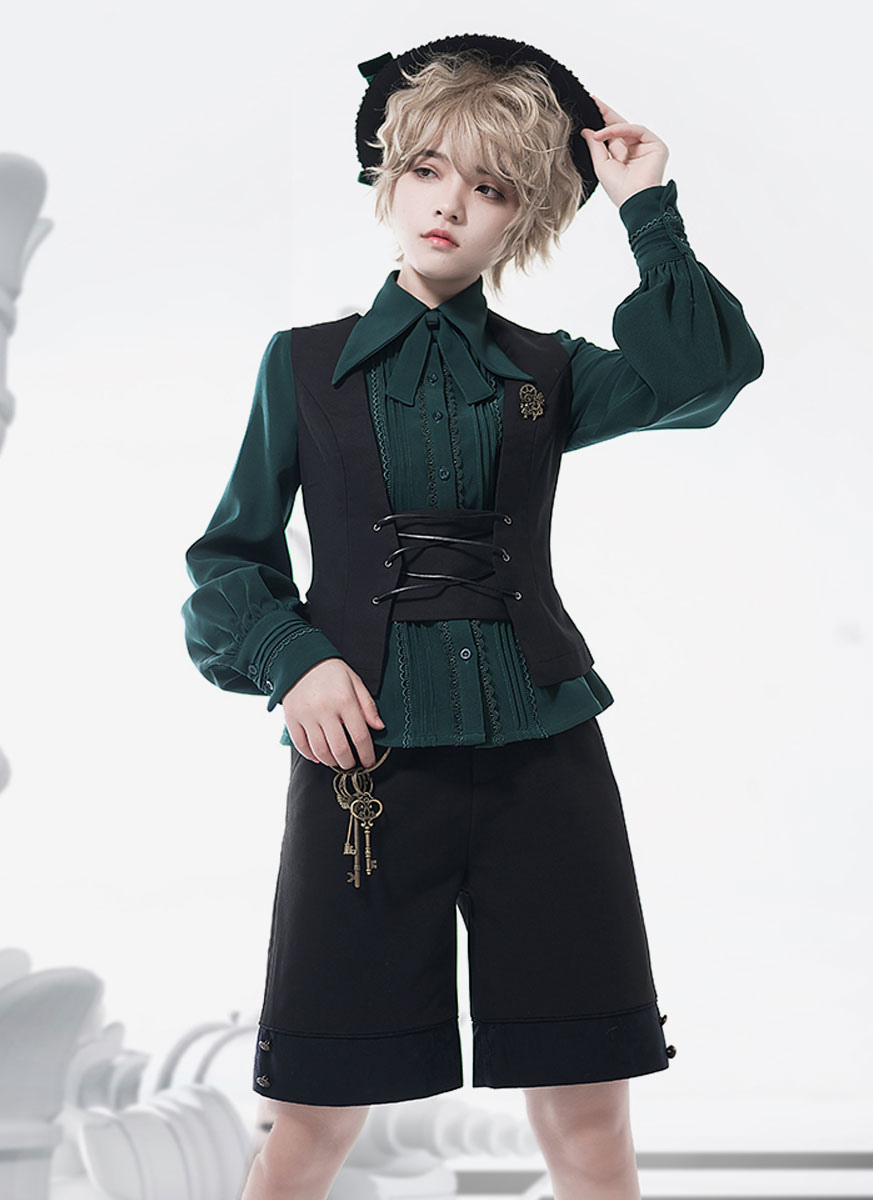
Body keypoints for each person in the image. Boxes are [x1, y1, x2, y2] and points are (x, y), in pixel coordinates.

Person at [181, 34, 764, 1200]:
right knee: (312, 1116)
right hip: (363, 761)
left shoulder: (550, 372)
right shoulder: (301, 367)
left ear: (528, 218)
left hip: (545, 756)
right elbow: (227, 563)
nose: (452, 204)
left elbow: (706, 375)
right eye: (430, 170)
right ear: (387, 177)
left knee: (590, 1119)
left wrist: (645, 208)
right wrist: (293, 659)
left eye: (492, 188)